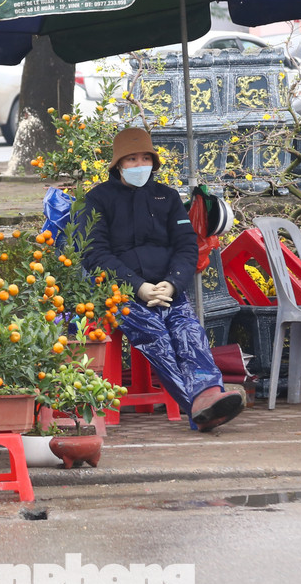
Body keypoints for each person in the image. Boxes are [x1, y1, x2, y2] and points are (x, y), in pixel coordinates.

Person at [77, 127, 244, 431]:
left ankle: (208, 394)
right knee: (156, 338)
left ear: (153, 163)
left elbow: (186, 246)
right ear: (118, 165)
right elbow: (94, 253)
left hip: (167, 289)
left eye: (144, 158)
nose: (139, 164)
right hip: (119, 292)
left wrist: (173, 282)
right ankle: (201, 403)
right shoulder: (97, 200)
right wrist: (137, 286)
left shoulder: (166, 197)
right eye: (131, 159)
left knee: (188, 332)